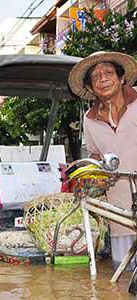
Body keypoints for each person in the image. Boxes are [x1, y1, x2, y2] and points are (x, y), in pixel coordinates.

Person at [68, 51, 137, 269]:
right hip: (120, 210)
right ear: (90, 87)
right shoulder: (90, 120)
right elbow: (96, 156)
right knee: (124, 274)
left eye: (108, 73)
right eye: (96, 77)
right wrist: (93, 177)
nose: (103, 79)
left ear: (121, 78)